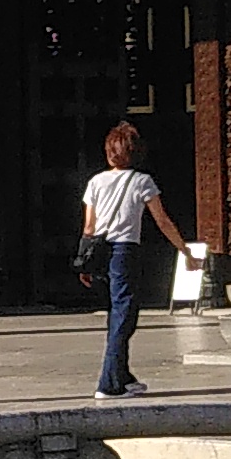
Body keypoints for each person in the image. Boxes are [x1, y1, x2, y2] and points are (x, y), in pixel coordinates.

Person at [81, 121, 187, 401]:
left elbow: (89, 226)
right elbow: (162, 221)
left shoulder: (95, 181)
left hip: (100, 251)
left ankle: (123, 376)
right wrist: (184, 249)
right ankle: (108, 384)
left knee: (116, 314)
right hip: (125, 250)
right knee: (124, 314)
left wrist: (85, 261)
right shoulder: (143, 182)